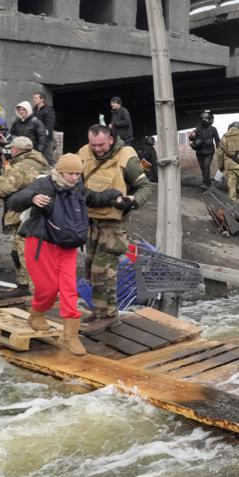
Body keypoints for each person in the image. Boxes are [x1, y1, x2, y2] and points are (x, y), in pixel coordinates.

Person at [8, 153, 97, 355]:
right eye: (70, 174)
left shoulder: (78, 188)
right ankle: (37, 314)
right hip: (41, 243)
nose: (74, 178)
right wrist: (32, 198)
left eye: (77, 174)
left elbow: (94, 197)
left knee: (68, 289)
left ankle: (70, 336)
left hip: (67, 245)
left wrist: (116, 196)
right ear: (60, 171)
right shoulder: (44, 185)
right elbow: (14, 201)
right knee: (48, 288)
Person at [78, 124, 153, 332]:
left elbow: (145, 187)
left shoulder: (126, 157)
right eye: (93, 145)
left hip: (114, 225)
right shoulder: (83, 154)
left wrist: (132, 201)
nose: (97, 149)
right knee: (90, 269)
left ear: (110, 139)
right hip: (91, 222)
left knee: (103, 271)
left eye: (101, 144)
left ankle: (109, 316)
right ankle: (101, 311)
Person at [0, 136, 48, 299]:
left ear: (17, 150)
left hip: (24, 215)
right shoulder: (39, 162)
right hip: (34, 214)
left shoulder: (22, 167)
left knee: (25, 253)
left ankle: (33, 293)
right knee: (20, 251)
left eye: (12, 149)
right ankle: (24, 286)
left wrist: (4, 169)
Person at [188, 110, 220, 188]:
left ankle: (207, 183)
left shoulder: (213, 129)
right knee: (203, 167)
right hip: (199, 151)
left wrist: (219, 149)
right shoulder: (197, 129)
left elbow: (217, 140)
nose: (204, 120)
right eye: (203, 119)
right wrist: (191, 136)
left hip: (209, 151)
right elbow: (192, 139)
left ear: (209, 119)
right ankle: (205, 181)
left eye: (206, 119)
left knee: (206, 166)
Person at [31, 92, 56, 165]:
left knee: (49, 160)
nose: (34, 100)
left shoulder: (49, 110)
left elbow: (49, 126)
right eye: (34, 98)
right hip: (35, 139)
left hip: (46, 140)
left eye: (36, 98)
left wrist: (44, 137)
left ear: (42, 99)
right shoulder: (34, 110)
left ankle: (54, 174)